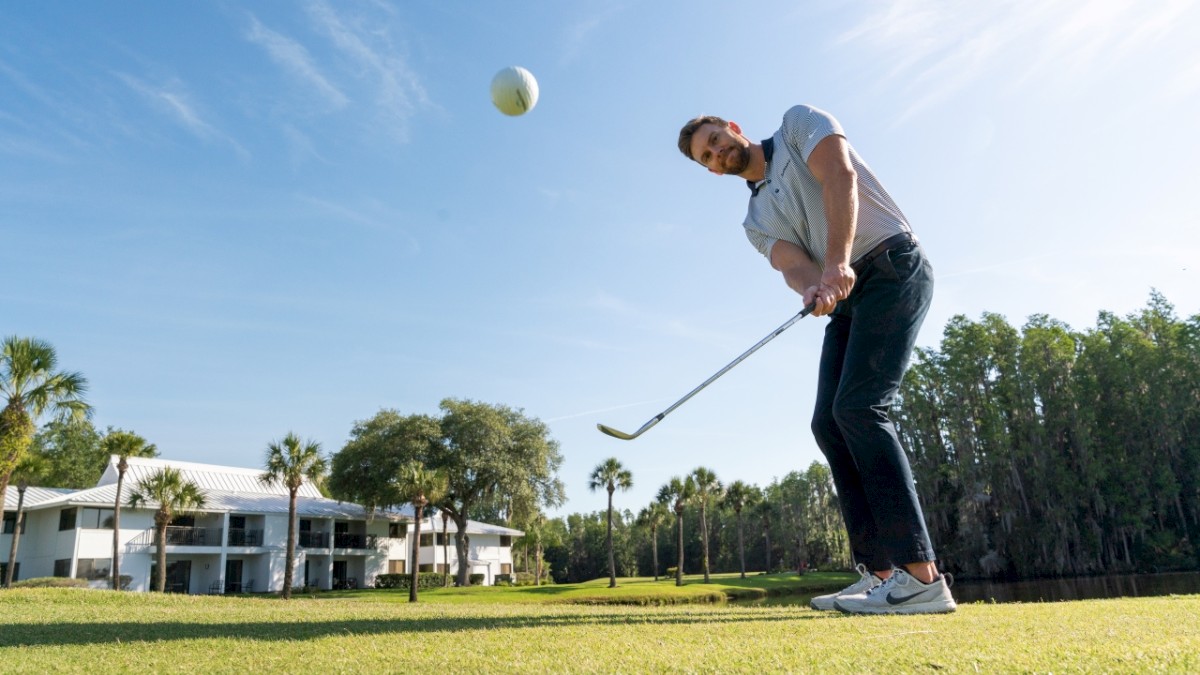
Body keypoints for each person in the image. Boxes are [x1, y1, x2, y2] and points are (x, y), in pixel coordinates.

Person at [677, 105, 955, 615]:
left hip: (893, 267)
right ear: (712, 171)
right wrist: (813, 287)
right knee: (828, 423)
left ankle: (923, 578)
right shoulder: (755, 219)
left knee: (860, 408)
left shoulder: (798, 124)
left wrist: (837, 263)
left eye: (716, 138)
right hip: (845, 295)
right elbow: (792, 264)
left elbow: (840, 176)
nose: (718, 151)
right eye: (708, 156)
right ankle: (879, 574)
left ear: (733, 127)